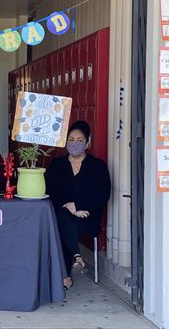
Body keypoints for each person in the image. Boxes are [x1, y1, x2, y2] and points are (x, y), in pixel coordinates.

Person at [46, 120, 111, 290]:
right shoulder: (57, 165)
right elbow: (49, 192)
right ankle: (75, 257)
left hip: (87, 216)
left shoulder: (98, 166)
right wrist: (69, 207)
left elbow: (103, 194)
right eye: (71, 139)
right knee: (63, 218)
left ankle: (65, 274)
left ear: (88, 142)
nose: (75, 143)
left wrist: (79, 206)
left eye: (80, 140)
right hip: (63, 214)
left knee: (63, 223)